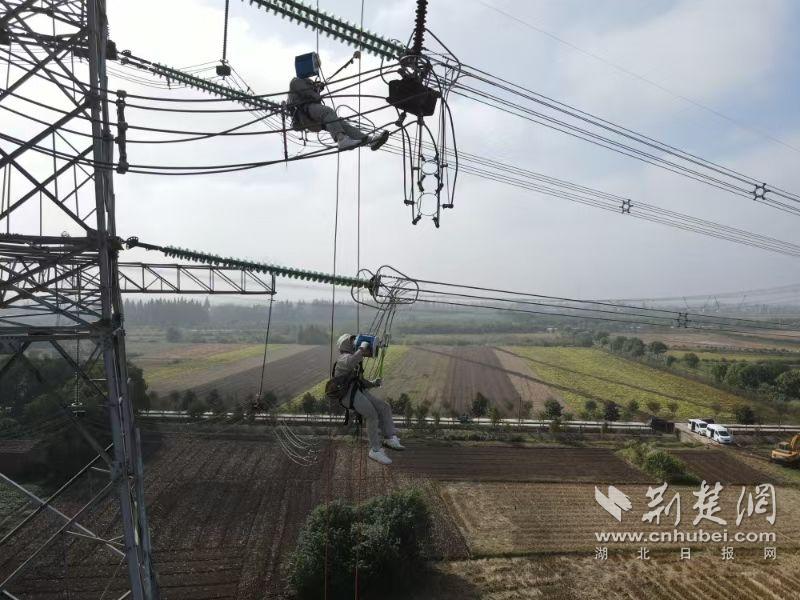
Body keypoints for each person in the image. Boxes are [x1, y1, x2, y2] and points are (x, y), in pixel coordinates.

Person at [288, 56, 390, 152]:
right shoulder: (296, 81)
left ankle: (369, 141)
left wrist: (317, 88)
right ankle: (342, 140)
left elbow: (313, 96)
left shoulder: (308, 82)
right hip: (303, 113)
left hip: (311, 116)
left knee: (340, 122)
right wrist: (316, 90)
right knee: (327, 111)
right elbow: (311, 95)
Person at [333, 333, 403, 465]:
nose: (357, 343)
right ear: (347, 345)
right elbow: (350, 362)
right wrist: (362, 348)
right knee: (372, 415)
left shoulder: (355, 360)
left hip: (357, 391)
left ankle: (389, 437)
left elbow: (360, 381)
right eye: (354, 341)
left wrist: (373, 383)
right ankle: (375, 450)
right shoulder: (343, 358)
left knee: (384, 407)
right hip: (348, 395)